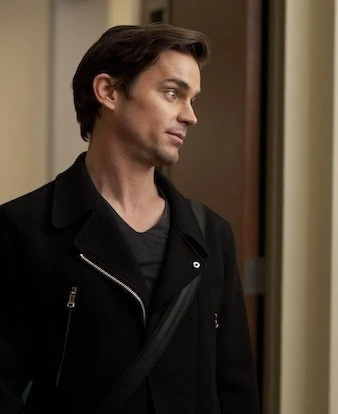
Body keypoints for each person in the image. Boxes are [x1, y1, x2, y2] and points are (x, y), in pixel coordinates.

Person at [0, 23, 260, 413]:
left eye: (192, 100)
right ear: (108, 91)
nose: (190, 116)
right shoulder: (23, 227)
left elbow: (236, 389)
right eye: (172, 93)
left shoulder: (211, 233)